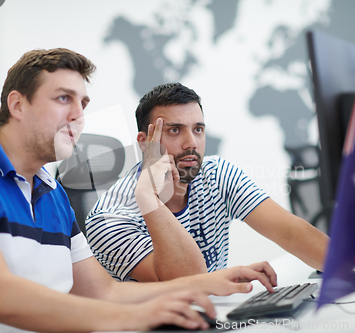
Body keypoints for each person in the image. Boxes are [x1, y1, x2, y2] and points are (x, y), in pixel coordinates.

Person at [0, 49, 278, 333]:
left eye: (83, 104)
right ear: (18, 105)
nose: (78, 115)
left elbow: (103, 291)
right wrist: (131, 319)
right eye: (64, 99)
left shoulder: (51, 192)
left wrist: (208, 282)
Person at [86, 83, 330, 283]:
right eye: (174, 130)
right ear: (144, 142)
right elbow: (188, 282)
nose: (191, 142)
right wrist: (149, 198)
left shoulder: (217, 174)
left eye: (198, 129)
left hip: (212, 317)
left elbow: (289, 232)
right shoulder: (110, 219)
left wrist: (351, 270)